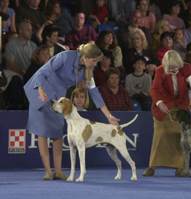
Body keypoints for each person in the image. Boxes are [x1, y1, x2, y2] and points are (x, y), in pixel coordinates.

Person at [23, 42, 120, 180]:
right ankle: (48, 171)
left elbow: (95, 93)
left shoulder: (87, 71)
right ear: (85, 57)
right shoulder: (64, 57)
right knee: (42, 131)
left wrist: (109, 116)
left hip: (58, 98)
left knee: (57, 132)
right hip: (41, 90)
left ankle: (58, 171)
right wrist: (40, 88)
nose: (95, 64)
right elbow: (43, 71)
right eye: (94, 61)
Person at [143, 50, 191, 176]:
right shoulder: (159, 71)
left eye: (175, 67)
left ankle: (180, 167)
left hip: (181, 107)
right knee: (159, 136)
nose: (173, 69)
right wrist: (159, 102)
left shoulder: (186, 68)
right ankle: (152, 166)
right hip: (163, 107)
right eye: (170, 67)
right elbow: (154, 89)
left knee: (180, 137)